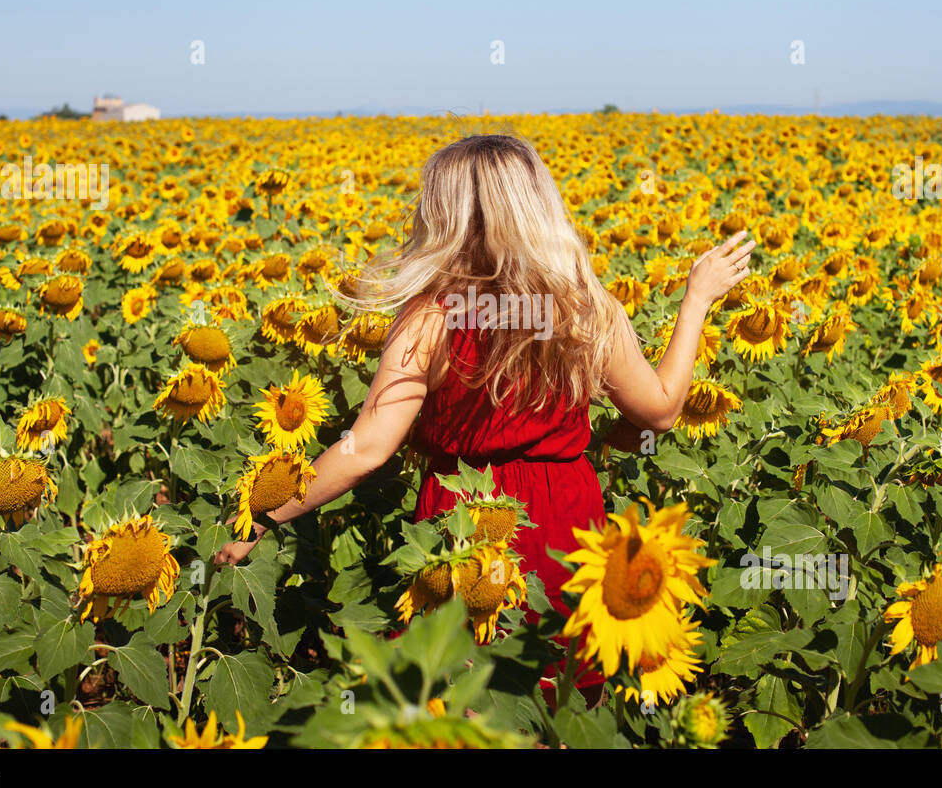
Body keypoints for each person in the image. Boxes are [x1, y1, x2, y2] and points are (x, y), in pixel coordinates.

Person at [214, 134, 754, 688]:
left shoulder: (428, 319)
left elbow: (365, 450)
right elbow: (661, 412)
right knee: (555, 694)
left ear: (444, 218)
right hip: (567, 519)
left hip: (465, 520)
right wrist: (696, 302)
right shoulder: (584, 308)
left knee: (461, 693)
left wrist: (263, 514)